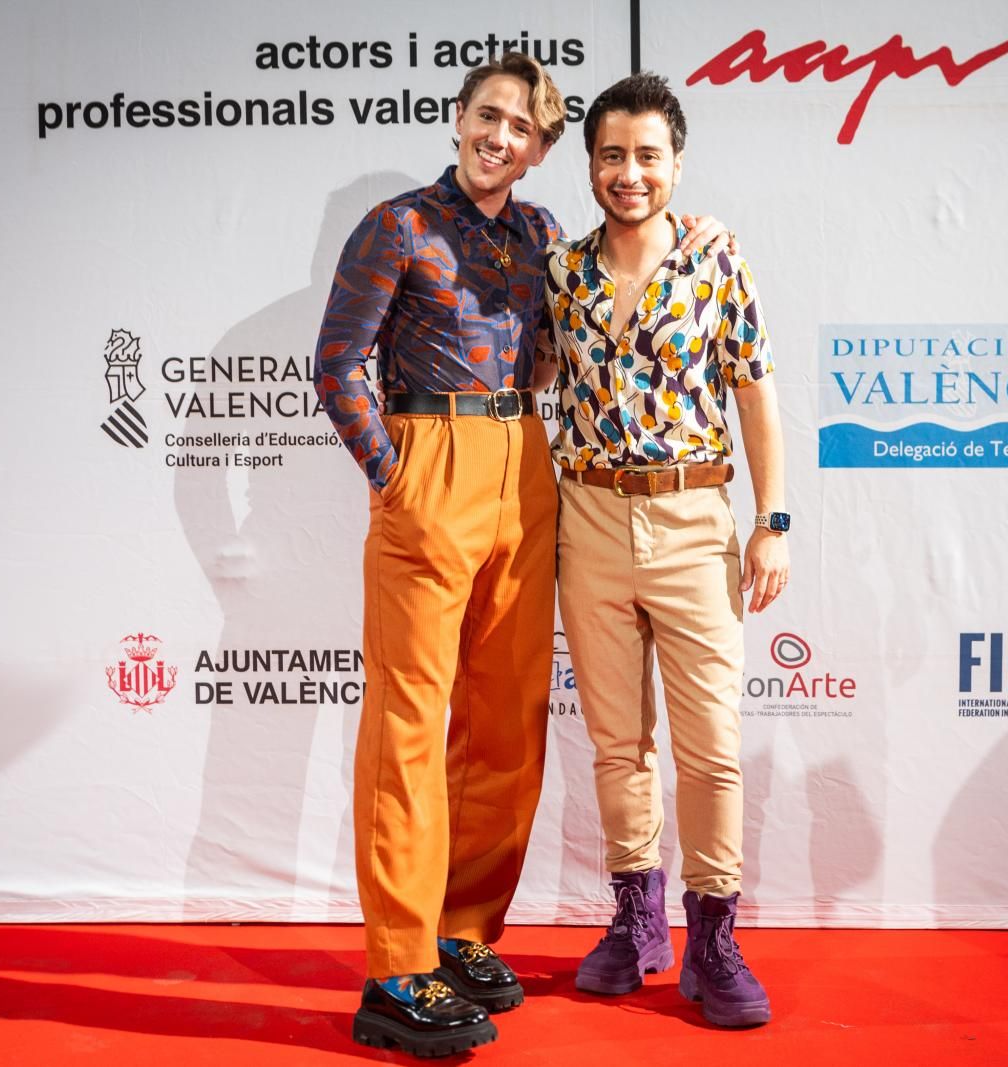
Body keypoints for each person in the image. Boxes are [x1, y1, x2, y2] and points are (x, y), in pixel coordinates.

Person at [314, 55, 728, 1057]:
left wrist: (692, 242)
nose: (502, 137)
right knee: (410, 724)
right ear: (459, 120)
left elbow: (600, 303)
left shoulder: (542, 235)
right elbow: (337, 361)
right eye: (488, 116)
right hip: (431, 459)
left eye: (523, 128)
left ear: (541, 149)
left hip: (525, 466)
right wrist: (393, 473)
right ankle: (396, 967)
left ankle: (460, 933)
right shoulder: (399, 223)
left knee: (505, 720)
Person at [544, 72, 790, 1029]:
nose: (631, 172)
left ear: (677, 163)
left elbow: (756, 395)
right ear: (591, 165)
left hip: (694, 522)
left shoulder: (719, 263)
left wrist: (773, 522)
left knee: (713, 749)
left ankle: (713, 934)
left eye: (650, 155)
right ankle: (635, 918)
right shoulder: (559, 273)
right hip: (590, 521)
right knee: (617, 742)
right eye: (613, 154)